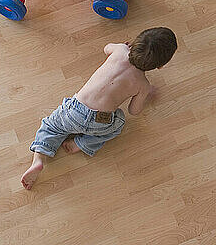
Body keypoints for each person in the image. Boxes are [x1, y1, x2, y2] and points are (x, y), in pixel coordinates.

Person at [21, 27, 177, 190]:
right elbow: (134, 111)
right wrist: (145, 94)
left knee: (51, 126)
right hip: (100, 122)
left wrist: (121, 46)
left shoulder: (120, 51)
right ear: (160, 66)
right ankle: (81, 144)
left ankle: (38, 159)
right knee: (119, 124)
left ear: (134, 42)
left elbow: (106, 47)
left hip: (74, 110)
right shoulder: (143, 85)